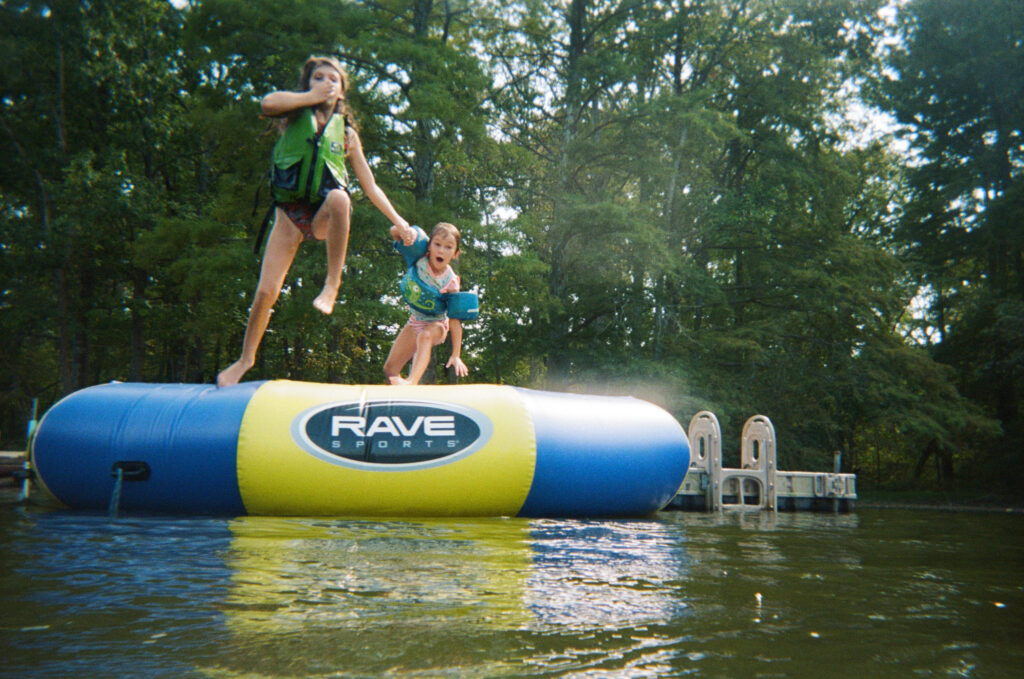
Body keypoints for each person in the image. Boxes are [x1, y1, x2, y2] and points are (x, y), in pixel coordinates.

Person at [218, 56, 415, 388]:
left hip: (323, 214)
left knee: (340, 198)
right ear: (308, 84)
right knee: (266, 292)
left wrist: (399, 220)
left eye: (332, 79)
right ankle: (245, 360)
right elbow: (267, 103)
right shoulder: (293, 112)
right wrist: (312, 97)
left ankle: (331, 285)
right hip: (289, 217)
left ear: (342, 89)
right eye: (318, 77)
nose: (325, 82)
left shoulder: (347, 133)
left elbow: (369, 184)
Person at [383, 222, 473, 385]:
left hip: (437, 325)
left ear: (455, 253)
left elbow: (455, 320)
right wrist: (406, 231)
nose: (441, 250)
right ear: (429, 245)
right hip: (416, 320)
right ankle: (404, 400)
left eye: (448, 247)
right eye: (437, 244)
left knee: (425, 337)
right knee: (390, 370)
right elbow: (393, 232)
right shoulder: (419, 257)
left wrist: (456, 354)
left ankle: (412, 382)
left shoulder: (451, 281)